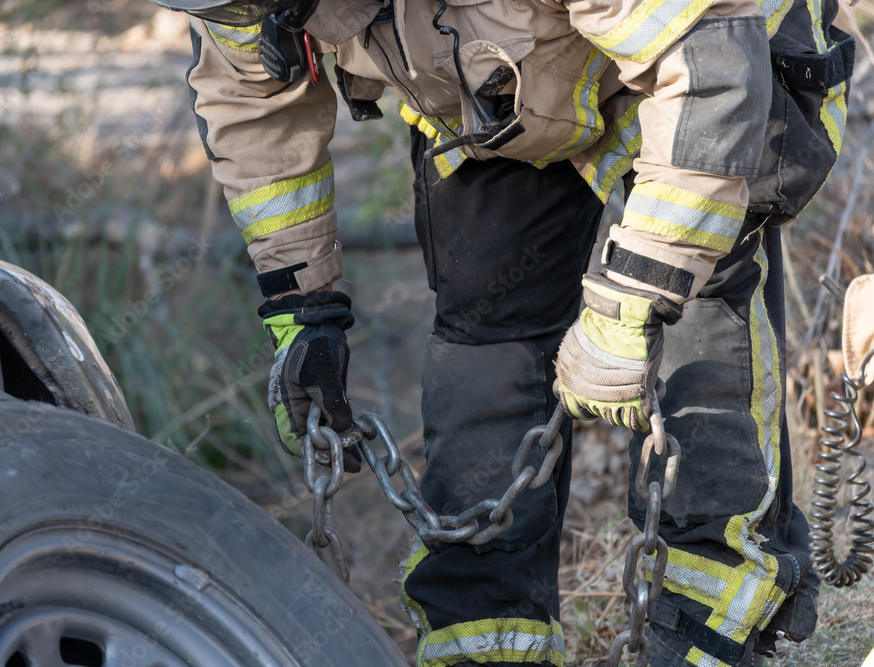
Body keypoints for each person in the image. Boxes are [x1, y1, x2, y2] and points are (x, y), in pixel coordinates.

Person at [153, 0, 854, 661]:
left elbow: (711, 77)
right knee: (486, 324)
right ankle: (487, 630)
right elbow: (253, 106)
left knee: (697, 290)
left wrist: (634, 297)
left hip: (716, 47)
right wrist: (302, 311)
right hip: (511, 76)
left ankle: (714, 600)